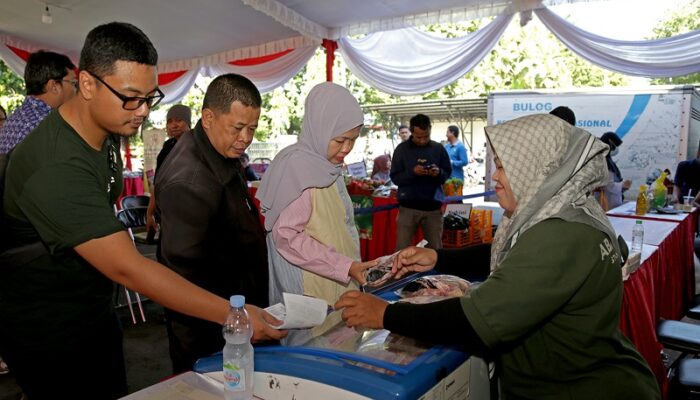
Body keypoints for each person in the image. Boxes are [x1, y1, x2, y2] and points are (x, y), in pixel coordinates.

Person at [0, 22, 284, 399]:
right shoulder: (54, 167)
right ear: (87, 84)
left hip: (92, 305)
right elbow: (129, 266)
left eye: (151, 97)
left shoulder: (105, 130)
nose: (144, 111)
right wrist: (234, 315)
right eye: (131, 97)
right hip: (46, 322)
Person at [335, 113, 661, 399]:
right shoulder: (566, 213)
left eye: (504, 167)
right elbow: (514, 256)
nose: (494, 176)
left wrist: (386, 315)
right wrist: (438, 258)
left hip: (578, 388)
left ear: (537, 170)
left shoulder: (560, 233)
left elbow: (476, 321)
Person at [154, 74, 273, 373]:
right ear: (208, 118)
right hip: (211, 333)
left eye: (252, 128)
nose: (246, 138)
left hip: (237, 317)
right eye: (238, 127)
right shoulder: (190, 179)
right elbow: (180, 282)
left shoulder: (219, 152)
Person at [256, 82, 377, 306]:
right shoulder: (299, 166)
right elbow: (287, 236)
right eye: (340, 140)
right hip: (311, 288)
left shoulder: (327, 164)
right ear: (319, 128)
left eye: (353, 139)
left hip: (335, 280)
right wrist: (344, 266)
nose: (347, 148)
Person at [390, 114, 451, 250]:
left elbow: (447, 173)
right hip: (408, 208)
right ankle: (403, 272)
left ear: (430, 129)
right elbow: (395, 177)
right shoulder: (401, 150)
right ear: (412, 131)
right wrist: (412, 173)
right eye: (419, 137)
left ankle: (435, 272)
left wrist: (438, 173)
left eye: (426, 136)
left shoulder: (438, 149)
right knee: (402, 250)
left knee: (435, 251)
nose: (423, 140)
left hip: (433, 209)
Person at [0, 50, 77, 154]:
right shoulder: (43, 126)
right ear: (54, 86)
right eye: (73, 83)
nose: (76, 90)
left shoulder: (16, 119)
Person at [146, 104, 192, 236]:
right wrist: (149, 213)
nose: (174, 125)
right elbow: (158, 182)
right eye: (170, 122)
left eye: (179, 120)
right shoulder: (167, 147)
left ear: (188, 122)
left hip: (191, 214)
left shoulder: (198, 145)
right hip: (168, 215)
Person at [599, 131, 632, 209]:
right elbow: (607, 185)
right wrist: (623, 185)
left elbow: (613, 179)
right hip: (607, 201)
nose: (616, 149)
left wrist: (623, 185)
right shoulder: (603, 161)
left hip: (612, 199)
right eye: (615, 145)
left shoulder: (607, 159)